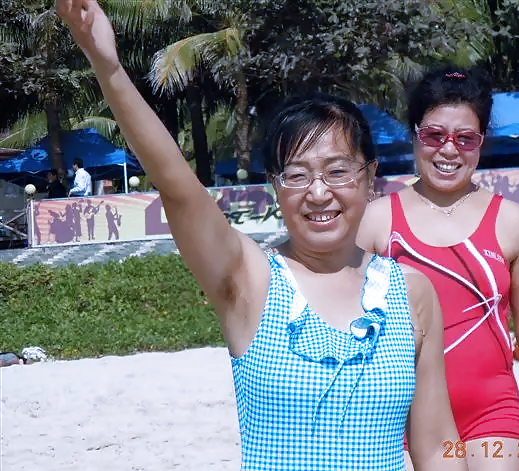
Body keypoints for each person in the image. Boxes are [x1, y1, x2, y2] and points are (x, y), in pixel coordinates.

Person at [56, 2, 465, 470]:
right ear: (275, 185)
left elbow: (437, 443)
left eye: (338, 171)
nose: (318, 193)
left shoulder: (411, 292)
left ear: (370, 178)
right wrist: (108, 66)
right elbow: (177, 187)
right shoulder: (250, 279)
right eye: (297, 175)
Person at [357, 64, 519, 471]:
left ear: (481, 141)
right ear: (415, 134)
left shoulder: (511, 221)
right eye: (434, 135)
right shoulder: (377, 220)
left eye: (465, 138)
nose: (449, 150)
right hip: (403, 418)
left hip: (493, 413)